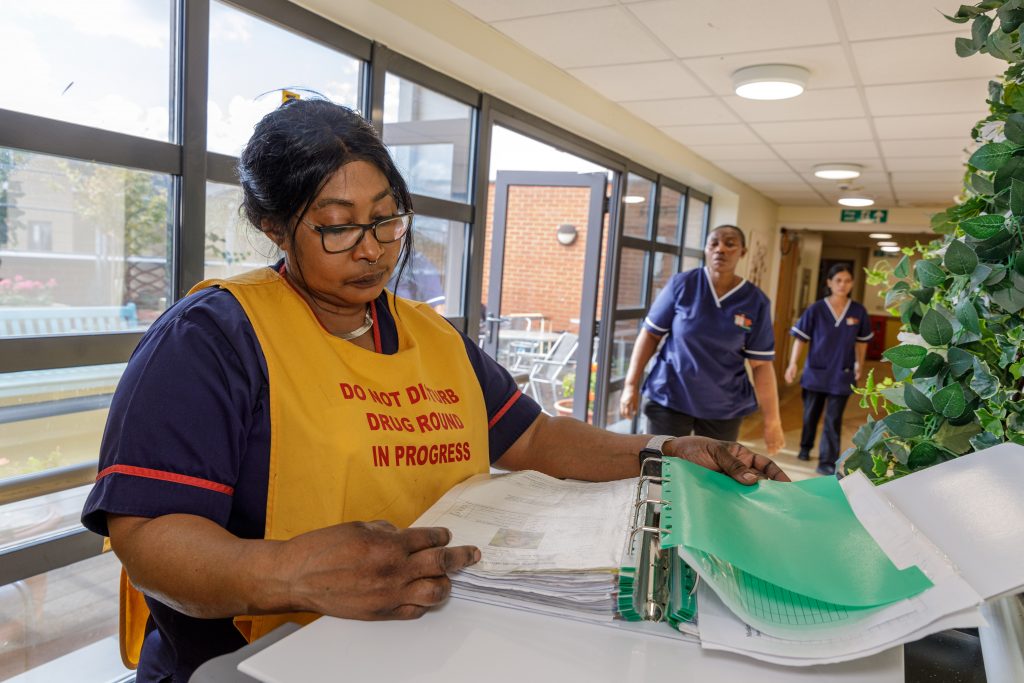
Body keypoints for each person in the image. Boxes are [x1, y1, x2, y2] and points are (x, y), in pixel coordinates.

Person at [79, 100, 789, 682]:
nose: (372, 246)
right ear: (273, 226)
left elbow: (534, 436)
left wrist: (662, 449)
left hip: (417, 647)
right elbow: (147, 537)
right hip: (258, 659)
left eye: (387, 218)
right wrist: (284, 571)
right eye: (336, 226)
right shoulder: (214, 337)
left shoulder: (429, 336)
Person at [619, 225, 785, 453]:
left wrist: (772, 421)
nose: (720, 249)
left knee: (713, 475)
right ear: (706, 249)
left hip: (723, 405)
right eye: (714, 243)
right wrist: (630, 385)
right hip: (670, 395)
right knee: (661, 469)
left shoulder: (755, 301)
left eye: (729, 244)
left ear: (742, 252)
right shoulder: (683, 285)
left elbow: (762, 365)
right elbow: (650, 334)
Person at [784, 263, 873, 476]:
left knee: (833, 419)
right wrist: (793, 363)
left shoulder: (858, 311)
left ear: (852, 284)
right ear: (829, 283)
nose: (843, 285)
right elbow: (800, 338)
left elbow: (861, 342)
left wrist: (859, 363)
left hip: (842, 373)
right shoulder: (816, 309)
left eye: (847, 281)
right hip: (816, 371)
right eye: (838, 280)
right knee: (810, 415)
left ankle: (827, 461)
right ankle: (805, 447)